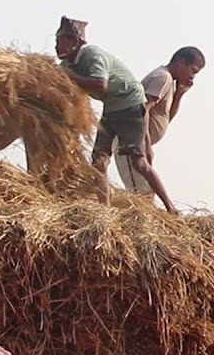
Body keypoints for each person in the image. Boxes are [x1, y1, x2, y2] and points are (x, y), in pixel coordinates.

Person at [54, 17, 178, 213]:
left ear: (74, 41)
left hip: (130, 106)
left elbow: (100, 84)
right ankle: (105, 210)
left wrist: (71, 77)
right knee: (99, 161)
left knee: (139, 162)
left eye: (59, 40)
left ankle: (170, 207)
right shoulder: (67, 64)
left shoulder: (92, 54)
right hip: (111, 109)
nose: (56, 46)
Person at [116, 46, 205, 195]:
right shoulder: (163, 78)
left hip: (139, 145)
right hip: (131, 144)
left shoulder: (169, 82)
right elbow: (142, 110)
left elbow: (165, 117)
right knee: (139, 193)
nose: (192, 77)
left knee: (146, 193)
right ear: (181, 62)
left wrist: (179, 94)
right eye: (193, 71)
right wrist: (147, 145)